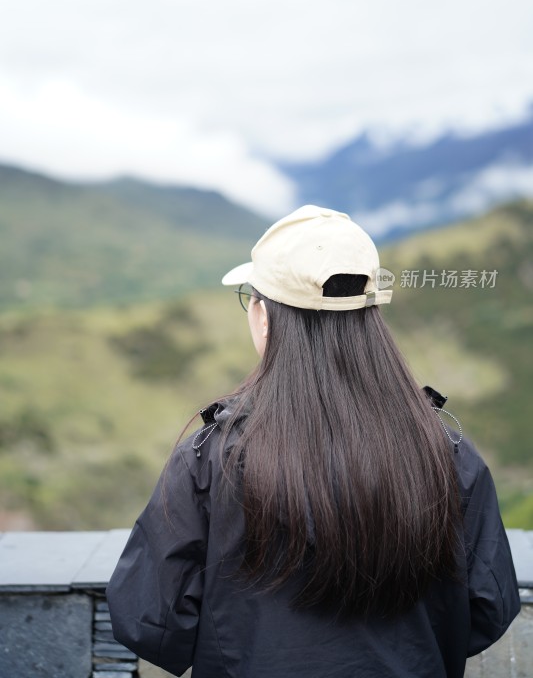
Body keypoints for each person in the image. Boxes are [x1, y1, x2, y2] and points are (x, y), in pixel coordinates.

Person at [106, 205, 520, 678]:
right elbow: (488, 607)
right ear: (371, 313)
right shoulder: (447, 452)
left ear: (264, 316)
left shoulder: (210, 458)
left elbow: (149, 622)